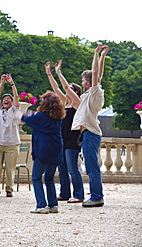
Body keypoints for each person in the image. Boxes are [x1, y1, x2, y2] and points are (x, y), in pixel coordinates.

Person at [71, 42, 109, 207]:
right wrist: (102, 56)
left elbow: (95, 73)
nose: (82, 81)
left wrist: (96, 53)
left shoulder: (95, 92)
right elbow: (98, 74)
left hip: (91, 134)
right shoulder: (90, 94)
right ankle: (95, 195)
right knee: (91, 167)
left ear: (87, 82)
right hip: (88, 134)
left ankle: (96, 196)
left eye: (82, 80)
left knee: (92, 168)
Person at [45, 60, 85, 203]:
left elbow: (65, 87)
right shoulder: (65, 102)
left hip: (72, 139)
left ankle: (79, 195)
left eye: (70, 90)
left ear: (75, 92)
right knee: (61, 169)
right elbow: (56, 89)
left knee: (72, 169)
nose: (66, 91)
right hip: (61, 139)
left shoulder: (76, 102)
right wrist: (49, 73)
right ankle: (65, 193)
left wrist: (59, 72)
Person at [21, 91, 66, 214]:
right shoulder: (58, 117)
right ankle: (53, 204)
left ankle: (41, 205)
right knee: (49, 178)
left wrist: (20, 114)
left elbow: (27, 119)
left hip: (43, 149)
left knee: (36, 178)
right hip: (56, 149)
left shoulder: (41, 116)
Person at [0, 74, 21, 197]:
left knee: (10, 169)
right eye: (5, 98)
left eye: (9, 98)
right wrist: (2, 82)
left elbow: (16, 97)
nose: (6, 99)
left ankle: (9, 189)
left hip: (12, 144)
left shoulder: (14, 110)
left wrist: (12, 83)